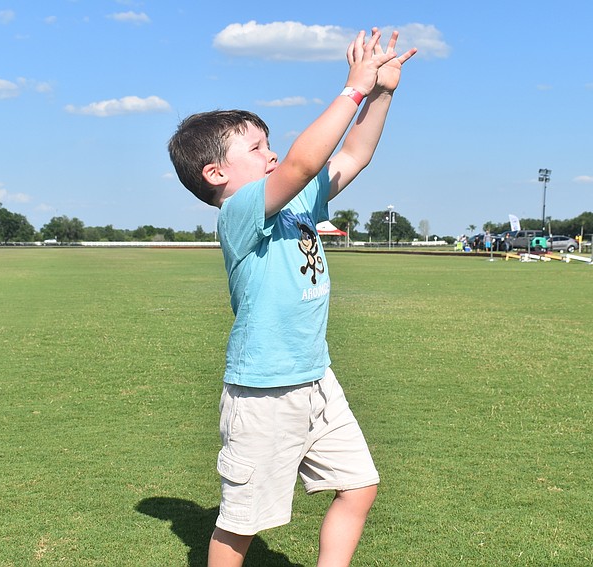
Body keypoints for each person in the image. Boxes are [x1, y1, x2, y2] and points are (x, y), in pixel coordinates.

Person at [167, 28, 417, 567]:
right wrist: (351, 88)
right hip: (264, 393)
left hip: (316, 379)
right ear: (217, 174)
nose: (273, 152)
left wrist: (381, 94)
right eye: (257, 148)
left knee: (359, 486)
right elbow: (304, 161)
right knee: (241, 526)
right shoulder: (239, 212)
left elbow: (354, 153)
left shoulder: (298, 203)